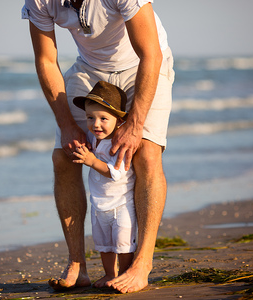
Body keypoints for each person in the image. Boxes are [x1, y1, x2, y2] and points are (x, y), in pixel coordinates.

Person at [22, 0, 174, 293]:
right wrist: (66, 124)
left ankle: (141, 264)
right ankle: (77, 265)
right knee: (65, 156)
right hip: (89, 69)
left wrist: (135, 124)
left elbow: (151, 54)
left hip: (142, 64)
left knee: (146, 153)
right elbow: (46, 61)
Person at [72, 81, 137, 288]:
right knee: (104, 245)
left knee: (122, 242)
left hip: (121, 203)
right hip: (99, 203)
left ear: (118, 121)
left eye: (103, 119)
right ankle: (110, 274)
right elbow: (90, 144)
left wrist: (92, 161)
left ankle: (125, 273)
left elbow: (117, 173)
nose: (96, 124)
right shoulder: (94, 137)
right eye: (90, 118)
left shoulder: (119, 143)